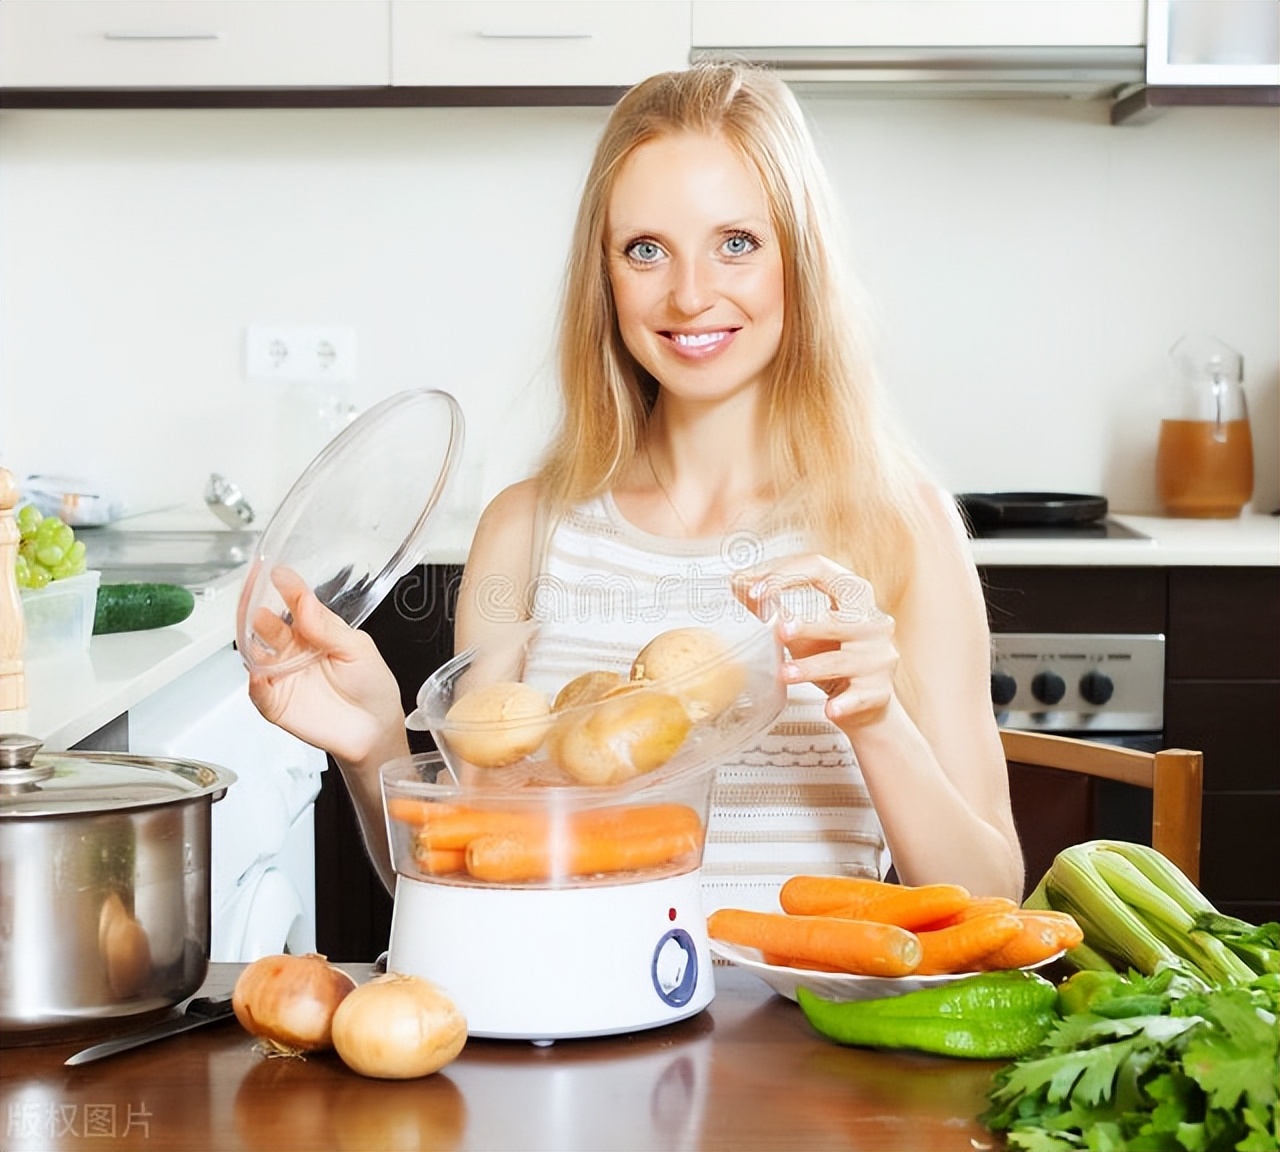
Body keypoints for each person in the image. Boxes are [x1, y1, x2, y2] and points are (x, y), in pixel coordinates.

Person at [248, 63, 1024, 911]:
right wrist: (373, 745)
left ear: (799, 259)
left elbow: (989, 898)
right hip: (581, 1028)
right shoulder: (529, 529)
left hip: (805, 1036)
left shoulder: (898, 525)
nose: (691, 296)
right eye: (646, 250)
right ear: (605, 275)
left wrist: (876, 719)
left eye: (737, 243)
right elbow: (467, 889)